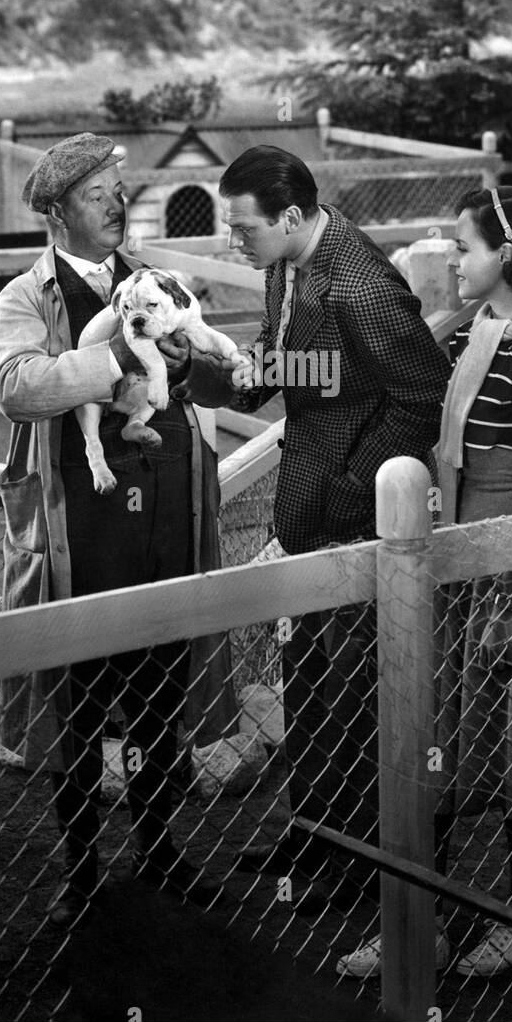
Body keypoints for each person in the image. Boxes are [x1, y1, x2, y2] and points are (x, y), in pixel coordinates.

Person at [337, 183, 512, 980]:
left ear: (509, 254)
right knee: (440, 739)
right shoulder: (481, 333)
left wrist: (510, 587)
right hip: (461, 551)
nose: (451, 259)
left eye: (463, 247)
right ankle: (429, 920)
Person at [175, 145, 451, 912]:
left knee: (352, 689)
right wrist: (189, 369)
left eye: (243, 228)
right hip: (304, 508)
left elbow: (421, 393)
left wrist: (348, 482)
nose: (235, 242)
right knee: (309, 681)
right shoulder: (284, 263)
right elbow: (281, 369)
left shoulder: (360, 281)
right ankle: (313, 829)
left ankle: (357, 860)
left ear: (290, 217)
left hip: (355, 517)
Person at [0, 132, 237, 928]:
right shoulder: (25, 300)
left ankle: (160, 848)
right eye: (97, 197)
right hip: (81, 521)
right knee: (81, 698)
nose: (116, 207)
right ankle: (82, 868)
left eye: (117, 194)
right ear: (56, 214)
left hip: (164, 507)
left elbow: (218, 372)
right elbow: (15, 387)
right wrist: (115, 367)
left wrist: (191, 360)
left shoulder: (156, 281)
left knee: (162, 684)